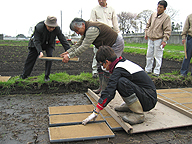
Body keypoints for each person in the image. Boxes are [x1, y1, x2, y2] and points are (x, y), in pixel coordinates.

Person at [82, 46, 157, 125]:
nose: (103, 67)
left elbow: (110, 90)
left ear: (107, 62)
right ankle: (130, 106)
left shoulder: (119, 69)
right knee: (121, 81)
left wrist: (96, 111)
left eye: (102, 64)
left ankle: (139, 114)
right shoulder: (121, 63)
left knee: (121, 82)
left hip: (149, 100)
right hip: (146, 95)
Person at [19, 16, 70, 81]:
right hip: (36, 44)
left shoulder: (57, 29)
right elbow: (36, 40)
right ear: (46, 24)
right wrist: (40, 51)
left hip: (49, 43)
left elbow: (63, 40)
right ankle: (24, 75)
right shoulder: (39, 27)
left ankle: (46, 76)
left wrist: (69, 51)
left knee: (49, 57)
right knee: (31, 58)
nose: (51, 29)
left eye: (53, 27)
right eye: (50, 27)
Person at [90, 0, 120, 79]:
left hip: (109, 33)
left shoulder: (111, 9)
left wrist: (118, 33)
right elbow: (92, 22)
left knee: (109, 52)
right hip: (99, 33)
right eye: (98, 0)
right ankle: (95, 71)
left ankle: (109, 70)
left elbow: (115, 22)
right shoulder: (95, 9)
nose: (100, 1)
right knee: (97, 52)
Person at [145, 0, 171, 77]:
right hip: (151, 38)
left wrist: (164, 40)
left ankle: (156, 71)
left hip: (158, 39)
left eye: (161, 7)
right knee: (149, 55)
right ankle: (148, 69)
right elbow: (148, 24)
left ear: (164, 8)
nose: (158, 8)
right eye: (158, 6)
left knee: (158, 56)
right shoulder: (153, 15)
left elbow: (167, 30)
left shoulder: (166, 18)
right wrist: (146, 33)